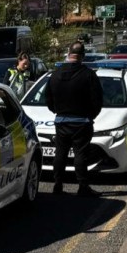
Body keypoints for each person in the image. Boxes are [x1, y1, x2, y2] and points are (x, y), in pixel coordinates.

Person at [43, 41, 104, 197]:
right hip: (82, 121)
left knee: (60, 153)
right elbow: (98, 100)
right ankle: (83, 186)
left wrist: (57, 111)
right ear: (82, 56)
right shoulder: (89, 74)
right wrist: (91, 115)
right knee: (80, 154)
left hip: (61, 120)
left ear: (68, 54)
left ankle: (57, 185)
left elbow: (47, 98)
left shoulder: (55, 74)